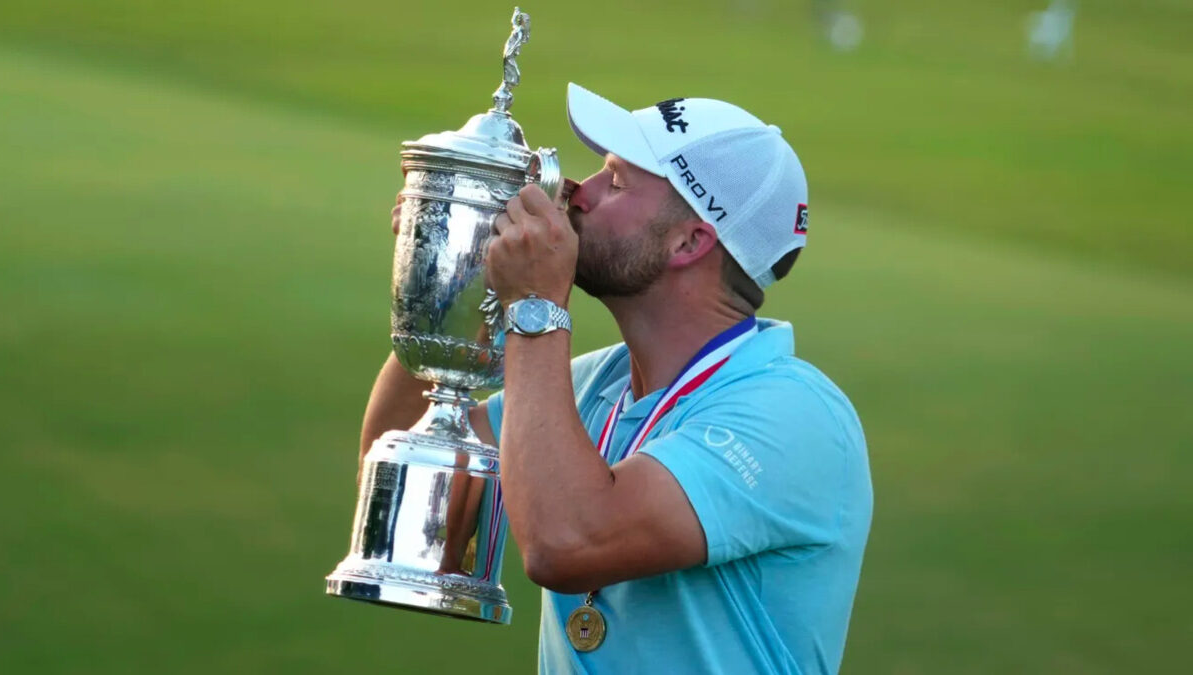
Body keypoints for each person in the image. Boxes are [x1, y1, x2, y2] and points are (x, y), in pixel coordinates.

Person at [361, 83, 873, 674]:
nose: (578, 190)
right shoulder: (592, 384)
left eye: (618, 180)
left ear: (690, 240)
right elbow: (403, 474)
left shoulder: (795, 415)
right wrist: (447, 283)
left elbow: (567, 544)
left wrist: (534, 305)